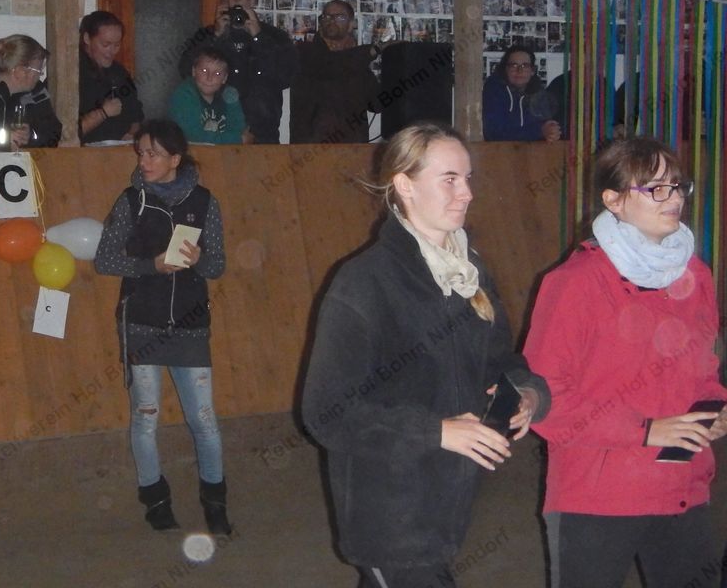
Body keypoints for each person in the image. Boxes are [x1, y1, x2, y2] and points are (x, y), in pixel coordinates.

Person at [301, 121, 550, 588]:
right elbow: (326, 413)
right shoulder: (363, 282)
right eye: (450, 179)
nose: (467, 193)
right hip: (389, 518)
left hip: (446, 506)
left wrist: (529, 395)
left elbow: (502, 362)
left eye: (468, 178)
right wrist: (436, 431)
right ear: (405, 185)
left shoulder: (470, 271)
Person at [523, 136, 727, 588]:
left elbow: (705, 371)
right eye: (655, 188)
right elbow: (544, 398)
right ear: (613, 200)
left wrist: (714, 408)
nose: (673, 197)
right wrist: (645, 430)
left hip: (682, 488)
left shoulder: (696, 275)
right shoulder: (574, 283)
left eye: (678, 185)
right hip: (598, 497)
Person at [93, 119, 231, 535]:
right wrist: (150, 266)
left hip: (191, 325)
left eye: (153, 153)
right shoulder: (130, 201)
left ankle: (215, 502)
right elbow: (104, 260)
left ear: (175, 158)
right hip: (142, 322)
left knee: (204, 420)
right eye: (141, 152)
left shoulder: (205, 202)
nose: (144, 160)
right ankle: (154, 498)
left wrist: (199, 259)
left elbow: (218, 266)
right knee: (146, 417)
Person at [178, 0, 298, 144]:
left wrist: (258, 38)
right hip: (218, 132)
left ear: (252, 0)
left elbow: (286, 77)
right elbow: (186, 71)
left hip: (262, 133)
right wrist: (215, 36)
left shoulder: (275, 37)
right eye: (225, 0)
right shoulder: (207, 35)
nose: (232, 6)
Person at [291, 0, 380, 144]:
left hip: (353, 148)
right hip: (312, 147)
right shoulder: (305, 51)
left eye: (339, 17)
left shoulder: (357, 62)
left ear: (351, 25)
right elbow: (330, 66)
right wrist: (373, 50)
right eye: (327, 16)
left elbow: (376, 104)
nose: (331, 20)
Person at [78, 11, 144, 144]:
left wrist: (132, 134)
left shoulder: (120, 73)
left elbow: (136, 115)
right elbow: (65, 134)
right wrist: (103, 113)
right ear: (87, 38)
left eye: (117, 45)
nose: (112, 51)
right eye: (105, 45)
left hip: (118, 150)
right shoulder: (71, 75)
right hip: (81, 152)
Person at [167, 45, 246, 144]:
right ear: (194, 71)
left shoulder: (229, 94)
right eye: (204, 71)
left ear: (225, 78)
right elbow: (192, 136)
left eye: (217, 74)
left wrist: (237, 139)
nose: (209, 78)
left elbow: (238, 129)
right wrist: (237, 140)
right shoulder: (184, 95)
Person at [482, 45, 561, 142]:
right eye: (514, 65)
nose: (519, 71)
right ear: (505, 69)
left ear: (532, 71)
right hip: (498, 150)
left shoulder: (539, 94)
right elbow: (493, 133)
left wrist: (552, 132)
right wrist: (539, 131)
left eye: (525, 66)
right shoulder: (494, 90)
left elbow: (546, 126)